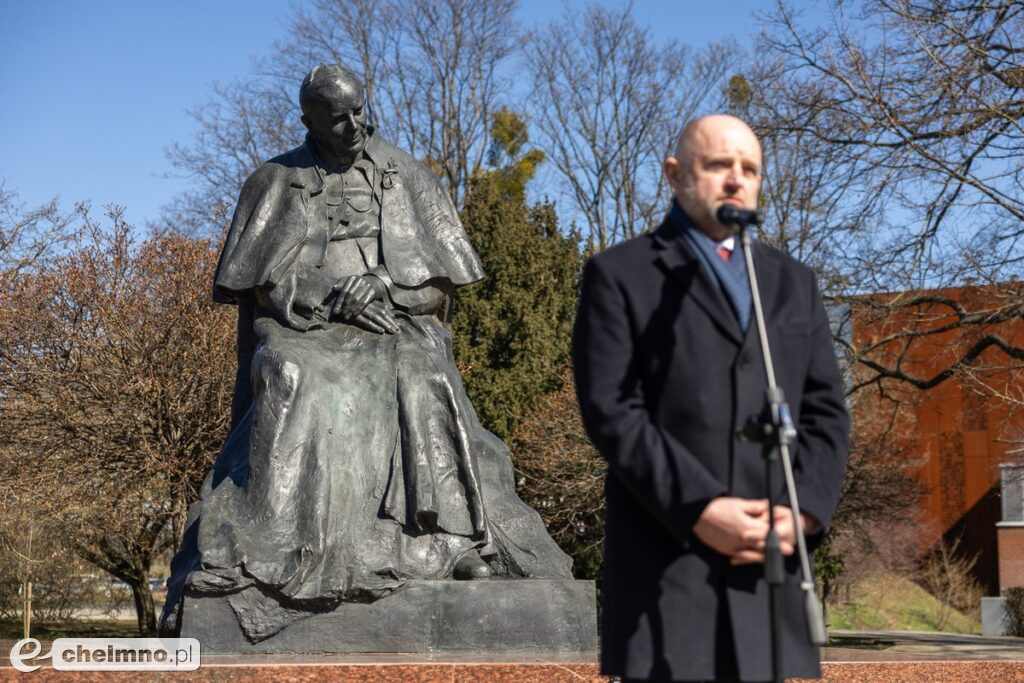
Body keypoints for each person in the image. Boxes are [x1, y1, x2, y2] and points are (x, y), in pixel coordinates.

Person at [159, 64, 570, 640]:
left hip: (394, 326)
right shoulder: (274, 179)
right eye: (337, 117)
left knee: (425, 373)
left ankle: (450, 544)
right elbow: (256, 287)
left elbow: (441, 284)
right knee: (293, 373)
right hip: (306, 329)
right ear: (309, 121)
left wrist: (387, 285)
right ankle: (273, 547)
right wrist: (329, 295)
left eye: (359, 111)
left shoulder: (408, 175)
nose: (354, 125)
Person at [572, 115, 849, 681]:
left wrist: (805, 512)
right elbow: (612, 410)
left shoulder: (794, 282)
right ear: (676, 174)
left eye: (749, 168)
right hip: (668, 573)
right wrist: (700, 507)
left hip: (771, 573)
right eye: (719, 164)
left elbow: (825, 413)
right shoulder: (619, 274)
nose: (735, 179)